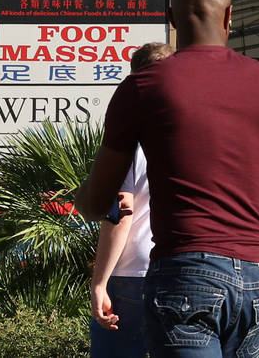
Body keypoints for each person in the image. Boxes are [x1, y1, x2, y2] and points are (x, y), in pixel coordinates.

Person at [75, 0, 259, 358]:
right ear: (229, 17)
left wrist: (82, 196)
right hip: (256, 275)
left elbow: (97, 202)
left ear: (171, 21)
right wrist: (253, 196)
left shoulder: (142, 87)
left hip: (185, 271)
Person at [89, 41, 172, 358]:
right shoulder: (196, 132)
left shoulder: (132, 138)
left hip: (133, 272)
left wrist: (99, 283)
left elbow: (122, 212)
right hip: (186, 267)